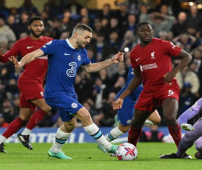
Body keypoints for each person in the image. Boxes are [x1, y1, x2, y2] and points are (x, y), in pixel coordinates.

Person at [10, 24, 124, 159]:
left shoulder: (82, 52)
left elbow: (90, 68)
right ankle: (107, 146)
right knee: (85, 114)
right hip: (54, 93)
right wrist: (21, 63)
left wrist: (111, 61)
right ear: (76, 35)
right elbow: (35, 54)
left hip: (69, 93)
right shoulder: (56, 45)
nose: (88, 40)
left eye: (90, 38)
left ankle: (55, 151)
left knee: (70, 125)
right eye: (86, 37)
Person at [113, 22, 193, 159]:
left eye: (149, 30)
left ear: (152, 31)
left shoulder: (164, 44)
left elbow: (188, 56)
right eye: (143, 31)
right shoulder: (134, 54)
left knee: (169, 117)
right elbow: (137, 78)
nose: (146, 33)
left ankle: (181, 153)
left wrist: (174, 72)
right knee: (136, 122)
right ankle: (130, 152)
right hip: (148, 90)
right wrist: (122, 96)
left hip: (167, 86)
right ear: (137, 33)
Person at [0, 16, 53, 153]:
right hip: (28, 80)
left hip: (38, 82)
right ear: (29, 27)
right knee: (46, 107)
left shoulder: (50, 42)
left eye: (40, 25)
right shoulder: (22, 43)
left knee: (24, 116)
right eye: (35, 25)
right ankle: (25, 134)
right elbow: (6, 58)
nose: (38, 28)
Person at [99, 66, 161, 154]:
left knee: (157, 120)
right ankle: (104, 143)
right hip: (128, 97)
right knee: (123, 128)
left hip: (143, 96)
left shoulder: (155, 65)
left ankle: (136, 120)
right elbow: (136, 84)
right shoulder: (136, 63)